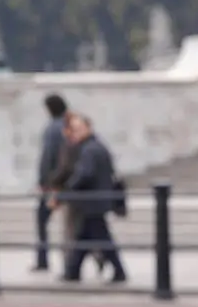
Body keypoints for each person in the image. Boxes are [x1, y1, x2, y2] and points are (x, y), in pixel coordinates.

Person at [63, 115, 127, 283]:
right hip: (97, 201)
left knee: (100, 238)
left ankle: (119, 271)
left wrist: (70, 186)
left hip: (92, 202)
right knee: (84, 237)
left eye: (78, 129)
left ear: (88, 128)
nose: (75, 133)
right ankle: (72, 271)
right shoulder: (97, 146)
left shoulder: (89, 149)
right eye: (74, 129)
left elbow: (85, 174)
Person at [47, 112, 106, 278]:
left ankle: (73, 267)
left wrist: (58, 190)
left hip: (78, 195)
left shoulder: (79, 146)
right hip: (80, 195)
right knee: (84, 233)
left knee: (73, 232)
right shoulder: (87, 145)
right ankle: (79, 266)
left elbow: (70, 171)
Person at [32, 94, 67, 271]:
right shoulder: (69, 126)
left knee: (42, 220)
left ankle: (42, 259)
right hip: (69, 181)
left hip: (53, 183)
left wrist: (43, 181)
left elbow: (48, 156)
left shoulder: (52, 128)